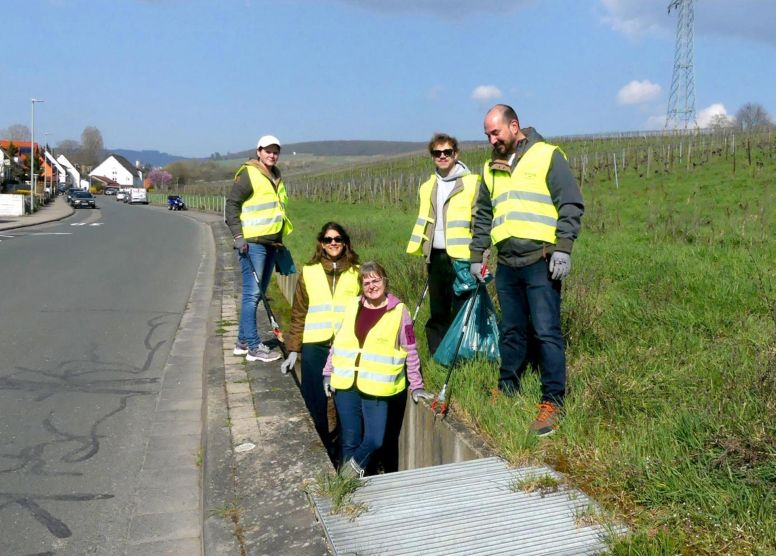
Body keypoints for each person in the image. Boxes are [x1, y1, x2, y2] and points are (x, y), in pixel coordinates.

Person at [469, 104, 584, 437]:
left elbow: (571, 203)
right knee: (513, 331)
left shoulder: (548, 156)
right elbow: (483, 215)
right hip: (507, 263)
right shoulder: (491, 168)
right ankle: (508, 387)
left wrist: (564, 247)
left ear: (514, 126)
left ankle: (552, 402)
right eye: (487, 134)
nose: (492, 139)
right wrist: (478, 254)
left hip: (540, 260)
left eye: (496, 132)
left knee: (547, 332)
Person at [322, 262, 433, 478]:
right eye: (366, 282)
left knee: (374, 439)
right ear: (361, 286)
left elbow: (410, 349)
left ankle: (344, 478)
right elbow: (338, 342)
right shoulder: (353, 306)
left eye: (376, 280)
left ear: (385, 281)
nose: (372, 285)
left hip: (377, 387)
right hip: (346, 384)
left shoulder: (400, 311)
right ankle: (351, 492)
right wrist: (328, 371)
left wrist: (416, 386)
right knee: (350, 440)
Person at [280, 222, 361, 466]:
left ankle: (344, 453)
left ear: (345, 242)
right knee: (315, 400)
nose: (333, 243)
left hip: (346, 348)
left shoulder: (357, 273)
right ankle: (322, 450)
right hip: (315, 346)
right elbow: (299, 313)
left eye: (337, 239)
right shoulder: (309, 272)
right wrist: (293, 349)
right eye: (328, 240)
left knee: (344, 400)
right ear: (321, 244)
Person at [406, 133, 481, 355]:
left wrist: (480, 255)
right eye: (437, 153)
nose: (442, 156)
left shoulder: (471, 183)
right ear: (432, 156)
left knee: (461, 307)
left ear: (456, 154)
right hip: (435, 255)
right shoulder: (427, 186)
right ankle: (437, 353)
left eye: (447, 152)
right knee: (438, 308)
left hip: (462, 257)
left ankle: (460, 353)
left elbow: (479, 220)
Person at [225, 135, 293, 362]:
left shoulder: (275, 176)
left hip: (271, 243)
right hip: (252, 243)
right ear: (259, 152)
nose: (272, 155)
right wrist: (237, 236)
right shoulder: (249, 174)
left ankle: (242, 342)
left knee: (258, 293)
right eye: (268, 151)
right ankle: (254, 347)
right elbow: (232, 204)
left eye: (275, 151)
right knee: (252, 295)